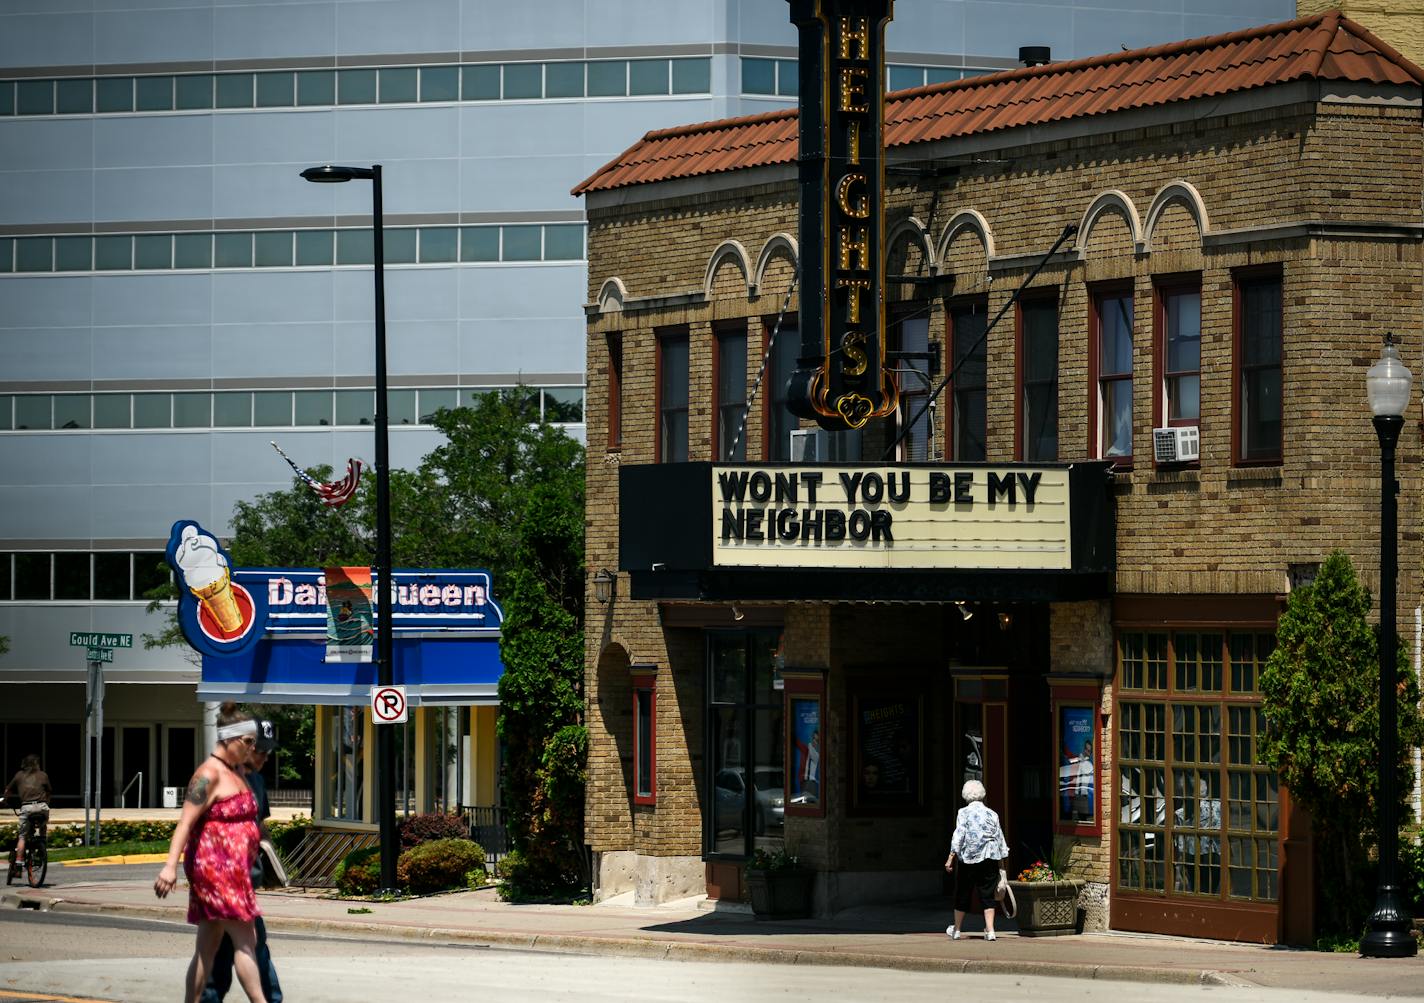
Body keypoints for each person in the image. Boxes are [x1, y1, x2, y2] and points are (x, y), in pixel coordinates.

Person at [154, 703, 269, 1003]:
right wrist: (169, 866)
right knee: (246, 940)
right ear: (228, 738)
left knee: (208, 946)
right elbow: (185, 823)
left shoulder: (238, 772)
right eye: (246, 742)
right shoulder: (207, 775)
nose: (252, 749)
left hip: (236, 871)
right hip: (217, 870)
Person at [203, 719, 282, 1003]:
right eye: (259, 750)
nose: (263, 757)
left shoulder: (257, 782)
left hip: (245, 882)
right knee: (252, 949)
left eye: (268, 752)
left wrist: (270, 857)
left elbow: (260, 826)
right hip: (221, 882)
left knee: (224, 954)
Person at [944, 778, 1010, 942]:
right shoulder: (992, 814)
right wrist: (1002, 863)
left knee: (963, 892)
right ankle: (990, 930)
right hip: (989, 858)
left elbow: (959, 835)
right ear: (982, 794)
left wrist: (950, 857)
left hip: (968, 859)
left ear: (965, 795)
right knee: (987, 894)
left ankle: (957, 930)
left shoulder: (963, 813)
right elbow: (999, 838)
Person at [5, 754, 51, 878]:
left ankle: (19, 866)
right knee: (43, 824)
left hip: (27, 807)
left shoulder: (19, 775)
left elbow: (8, 791)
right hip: (42, 806)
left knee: (22, 837)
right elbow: (48, 791)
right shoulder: (43, 775)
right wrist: (46, 802)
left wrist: (4, 799)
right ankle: (42, 844)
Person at [801, 730, 820, 801]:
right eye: (815, 735)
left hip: (812, 779)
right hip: (808, 778)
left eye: (817, 735)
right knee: (807, 799)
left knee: (810, 799)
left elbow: (815, 758)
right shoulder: (811, 745)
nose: (816, 737)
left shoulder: (816, 746)